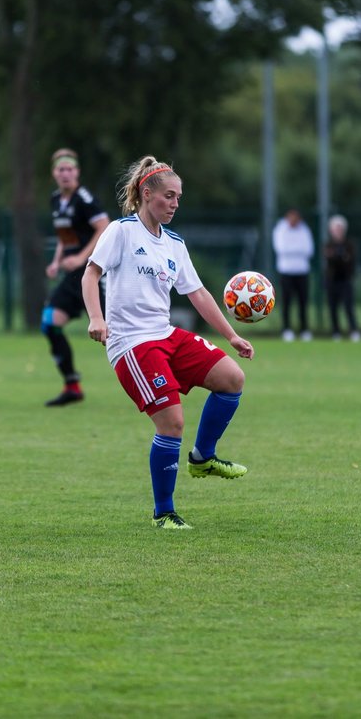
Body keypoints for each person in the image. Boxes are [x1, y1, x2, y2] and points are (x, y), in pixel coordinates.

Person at [82, 156, 254, 530]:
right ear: (147, 194)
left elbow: (198, 294)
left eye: (179, 197)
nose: (175, 203)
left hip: (165, 334)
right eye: (169, 196)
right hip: (131, 343)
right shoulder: (121, 231)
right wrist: (97, 318)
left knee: (232, 378)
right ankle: (164, 513)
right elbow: (91, 272)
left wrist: (232, 335)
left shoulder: (174, 243)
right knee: (172, 423)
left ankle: (203, 457)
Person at [42, 148, 110, 406]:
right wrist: (57, 261)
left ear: (77, 173)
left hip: (91, 274)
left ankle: (161, 375)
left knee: (115, 334)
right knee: (50, 322)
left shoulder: (84, 198)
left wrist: (82, 258)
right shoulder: (56, 200)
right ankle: (72, 385)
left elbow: (104, 227)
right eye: (61, 169)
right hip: (72, 276)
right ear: (54, 174)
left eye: (70, 169)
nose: (66, 174)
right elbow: (65, 235)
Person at [272, 208, 314, 341]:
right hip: (286, 270)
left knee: (303, 301)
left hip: (302, 271)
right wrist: (297, 249)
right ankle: (286, 329)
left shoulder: (304, 230)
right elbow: (281, 248)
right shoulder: (280, 229)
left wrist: (292, 249)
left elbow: (308, 250)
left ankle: (304, 330)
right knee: (286, 302)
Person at [324, 214, 360, 341]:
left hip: (345, 280)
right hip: (332, 281)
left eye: (340, 228)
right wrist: (341, 257)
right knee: (333, 308)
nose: (338, 231)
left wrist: (338, 257)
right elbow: (331, 260)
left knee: (348, 307)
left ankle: (354, 330)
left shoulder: (349, 244)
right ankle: (336, 332)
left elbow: (349, 262)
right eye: (336, 228)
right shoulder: (328, 244)